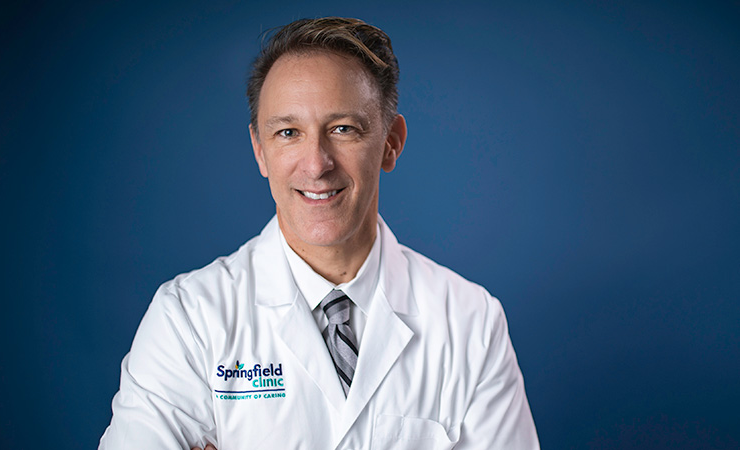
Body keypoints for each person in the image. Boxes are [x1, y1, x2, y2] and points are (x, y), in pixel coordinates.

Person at [99, 17, 539, 449]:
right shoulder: (189, 320)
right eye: (288, 132)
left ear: (391, 142)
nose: (316, 164)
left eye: (343, 129)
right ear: (260, 151)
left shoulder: (470, 322)